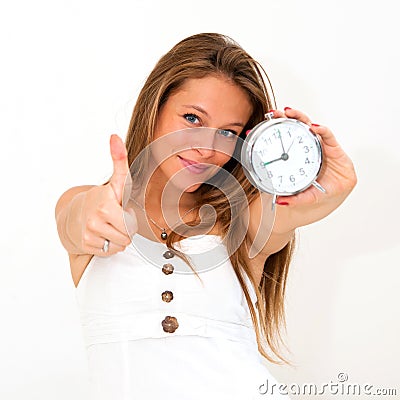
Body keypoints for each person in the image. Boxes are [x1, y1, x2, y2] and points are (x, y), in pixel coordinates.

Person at [55, 33, 356, 399]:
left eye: (228, 132)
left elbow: (306, 206)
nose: (206, 147)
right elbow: (76, 220)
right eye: (192, 117)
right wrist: (92, 215)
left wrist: (333, 179)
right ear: (155, 107)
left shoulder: (244, 223)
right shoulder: (89, 203)